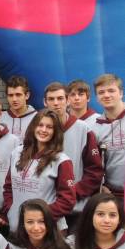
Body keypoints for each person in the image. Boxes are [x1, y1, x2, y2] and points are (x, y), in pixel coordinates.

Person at [1, 110, 76, 234]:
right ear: (33, 127)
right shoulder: (16, 152)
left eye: (49, 127)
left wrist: (40, 217)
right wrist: (10, 210)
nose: (44, 130)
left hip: (47, 230)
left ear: (56, 132)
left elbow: (67, 200)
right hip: (18, 228)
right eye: (40, 125)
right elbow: (8, 187)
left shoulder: (62, 160)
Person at [44, 82, 103, 229]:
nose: (56, 103)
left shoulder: (83, 129)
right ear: (45, 102)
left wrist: (70, 193)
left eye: (60, 98)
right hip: (46, 207)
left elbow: (95, 172)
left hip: (75, 209)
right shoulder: (40, 129)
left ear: (67, 100)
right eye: (51, 99)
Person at [91, 74, 125, 201]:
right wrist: (101, 186)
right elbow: (95, 164)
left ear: (121, 93)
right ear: (97, 98)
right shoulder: (96, 128)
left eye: (111, 90)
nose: (106, 95)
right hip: (114, 195)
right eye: (101, 92)